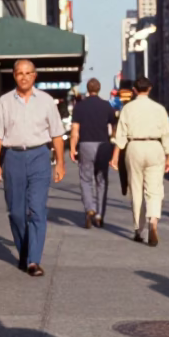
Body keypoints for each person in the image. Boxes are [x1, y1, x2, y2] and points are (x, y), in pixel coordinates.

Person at [0, 59, 65, 277]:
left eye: (28, 73)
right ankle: (24, 253)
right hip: (13, 157)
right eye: (20, 73)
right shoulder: (4, 102)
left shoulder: (46, 101)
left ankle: (33, 260)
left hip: (39, 155)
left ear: (34, 76)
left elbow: (57, 134)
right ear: (14, 75)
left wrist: (60, 162)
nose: (24, 77)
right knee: (16, 213)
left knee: (37, 209)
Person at [109, 76, 169, 246]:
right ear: (149, 89)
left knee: (136, 189)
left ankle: (139, 229)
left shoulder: (128, 108)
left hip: (134, 146)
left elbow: (121, 134)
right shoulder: (159, 109)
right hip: (155, 146)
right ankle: (153, 221)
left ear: (134, 90)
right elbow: (166, 133)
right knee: (155, 189)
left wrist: (115, 156)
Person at [69, 77, 117, 228]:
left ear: (88, 89)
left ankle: (89, 208)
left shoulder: (79, 106)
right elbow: (114, 127)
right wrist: (113, 143)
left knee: (86, 179)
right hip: (103, 145)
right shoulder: (106, 105)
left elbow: (75, 130)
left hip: (85, 145)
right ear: (99, 89)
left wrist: (72, 147)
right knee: (101, 180)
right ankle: (99, 215)